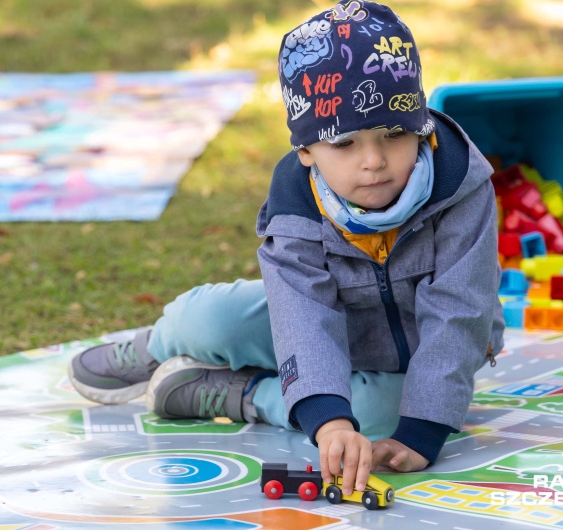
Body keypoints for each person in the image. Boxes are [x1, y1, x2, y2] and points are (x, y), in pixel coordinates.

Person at [68, 0, 505, 496]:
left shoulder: (460, 186)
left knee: (382, 419)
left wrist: (399, 428)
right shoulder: (296, 200)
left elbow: (459, 310)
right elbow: (301, 313)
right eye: (345, 144)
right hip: (321, 324)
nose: (374, 161)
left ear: (421, 127)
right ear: (305, 151)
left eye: (394, 134)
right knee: (213, 320)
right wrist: (326, 413)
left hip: (415, 352)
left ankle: (246, 393)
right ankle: (163, 343)